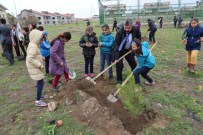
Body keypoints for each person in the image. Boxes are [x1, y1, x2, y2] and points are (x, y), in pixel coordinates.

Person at [114, 18, 141, 84]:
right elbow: (116, 45)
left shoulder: (136, 29)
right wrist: (117, 57)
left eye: (128, 28)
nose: (126, 30)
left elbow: (138, 38)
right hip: (120, 50)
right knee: (119, 64)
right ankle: (119, 80)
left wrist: (136, 46)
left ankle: (136, 79)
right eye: (125, 28)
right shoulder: (120, 32)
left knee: (133, 64)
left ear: (132, 26)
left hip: (129, 49)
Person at [26, 29, 47, 107]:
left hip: (34, 67)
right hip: (35, 68)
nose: (41, 40)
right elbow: (30, 58)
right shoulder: (33, 47)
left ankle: (40, 95)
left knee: (40, 82)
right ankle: (38, 101)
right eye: (40, 38)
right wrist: (40, 65)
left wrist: (41, 57)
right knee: (41, 82)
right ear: (36, 38)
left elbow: (35, 55)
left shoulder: (33, 45)